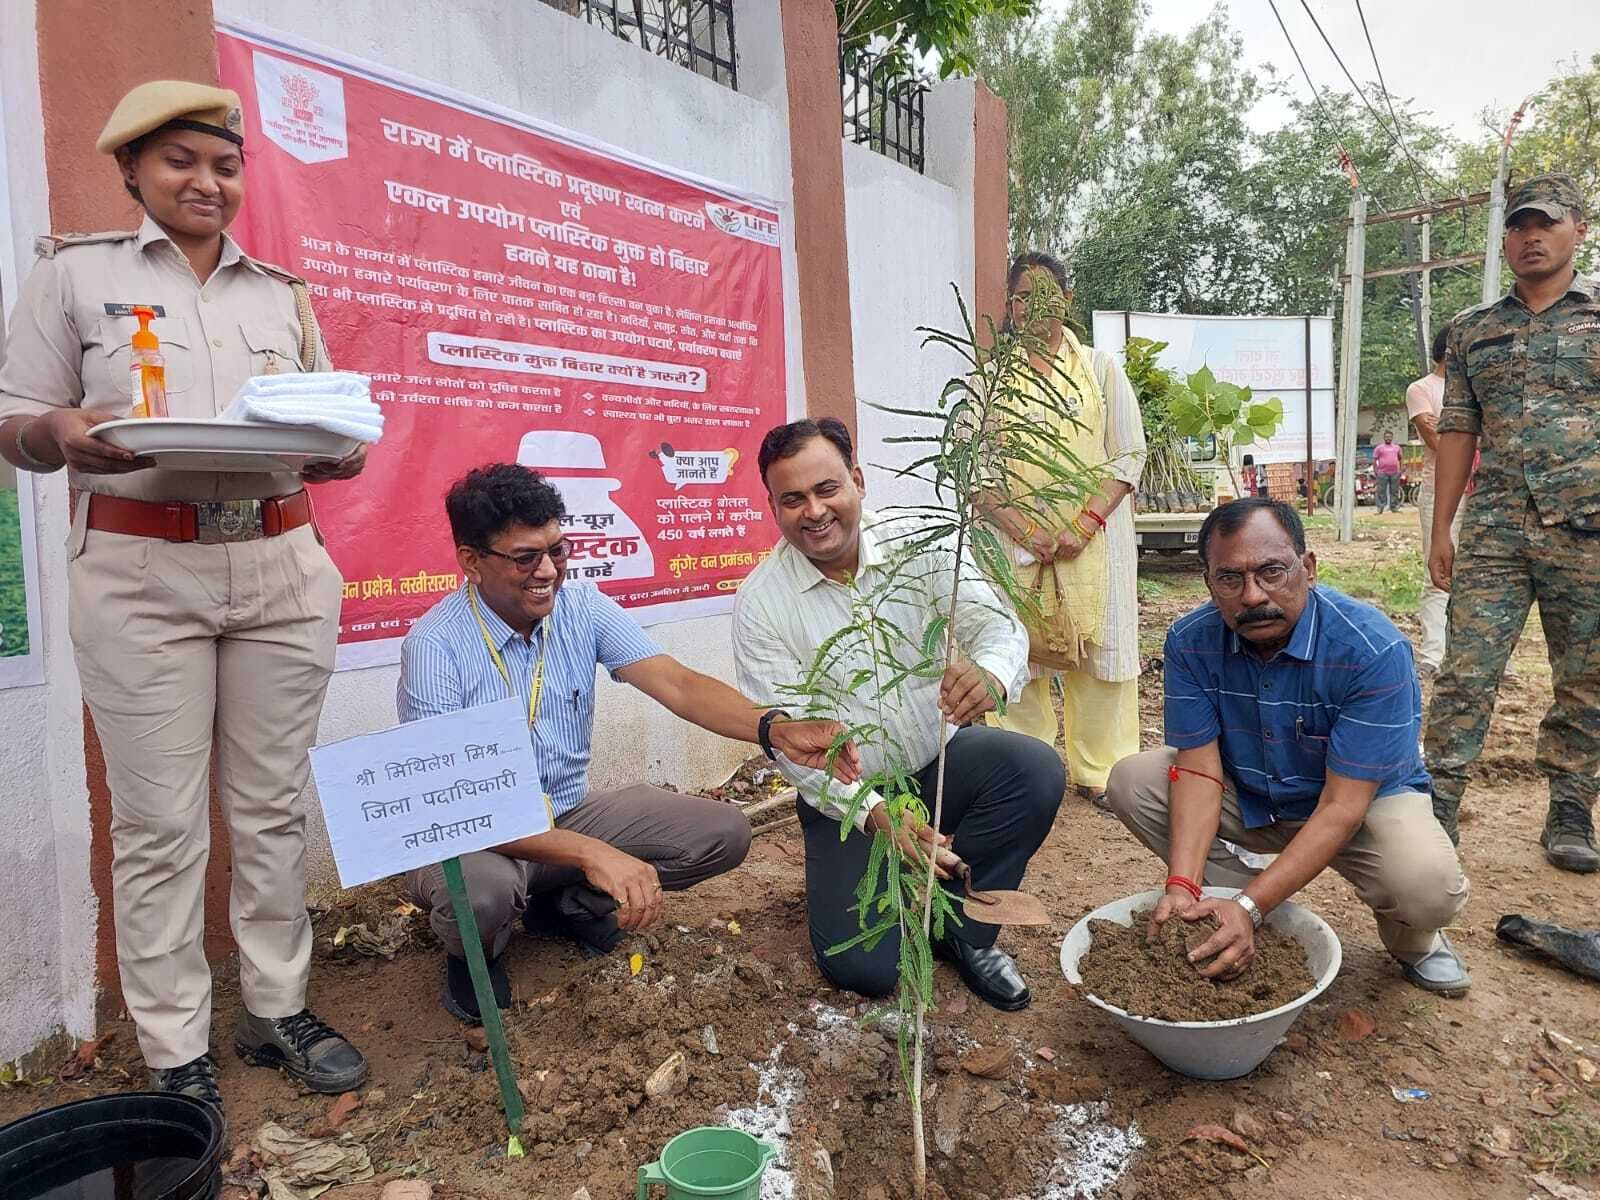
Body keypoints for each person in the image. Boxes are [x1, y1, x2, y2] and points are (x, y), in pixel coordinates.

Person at [0, 82, 372, 1108]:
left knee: (270, 807)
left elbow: (326, 418)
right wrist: (59, 434)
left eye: (224, 164)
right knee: (161, 825)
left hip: (281, 564)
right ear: (131, 171)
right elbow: (16, 420)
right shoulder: (75, 278)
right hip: (138, 570)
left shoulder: (282, 294)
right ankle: (174, 1052)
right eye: (178, 161)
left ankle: (275, 1008)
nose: (206, 182)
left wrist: (335, 456)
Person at [397, 463, 855, 1022]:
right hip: (479, 834)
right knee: (480, 893)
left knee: (723, 832)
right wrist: (593, 853)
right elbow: (460, 806)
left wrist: (774, 727)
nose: (548, 572)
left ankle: (564, 905)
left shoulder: (581, 607)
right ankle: (475, 953)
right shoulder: (435, 646)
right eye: (525, 558)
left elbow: (677, 683)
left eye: (558, 551)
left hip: (566, 814)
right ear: (471, 561)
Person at [732, 418, 1065, 1011]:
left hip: (939, 763)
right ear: (773, 508)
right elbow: (794, 747)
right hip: (849, 799)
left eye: (827, 488)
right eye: (793, 499)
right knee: (867, 969)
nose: (814, 511)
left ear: (857, 481)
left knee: (1032, 769)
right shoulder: (761, 604)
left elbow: (998, 626)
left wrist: (989, 672)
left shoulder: (924, 544)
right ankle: (899, 881)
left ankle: (968, 932)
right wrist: (877, 814)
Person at [1106, 498, 1471, 994]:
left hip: (1361, 805)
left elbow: (1343, 808)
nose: (1253, 596)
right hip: (1254, 795)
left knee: (1426, 884)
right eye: (1229, 579)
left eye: (1272, 571)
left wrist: (1254, 904)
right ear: (1209, 584)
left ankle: (1415, 943)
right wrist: (1182, 884)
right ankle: (1227, 910)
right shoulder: (1191, 642)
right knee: (1134, 781)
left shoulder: (1371, 649)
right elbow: (1198, 771)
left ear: (1309, 568)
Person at [1425, 174, 1600, 874]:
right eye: (1519, 224)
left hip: (1587, 530)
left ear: (1578, 229)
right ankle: (1436, 801)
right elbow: (1458, 430)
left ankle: (1570, 804)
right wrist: (1442, 528)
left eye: (1546, 223)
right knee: (1465, 671)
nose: (1531, 236)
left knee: (1584, 676)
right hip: (1495, 528)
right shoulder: (1474, 328)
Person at [976, 252, 1146, 807]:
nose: (1031, 307)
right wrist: (1024, 529)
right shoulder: (991, 381)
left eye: (1044, 295)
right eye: (1021, 296)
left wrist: (1084, 523)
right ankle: (1024, 766)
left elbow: (1127, 455)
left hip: (1093, 542)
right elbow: (978, 474)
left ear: (1068, 300)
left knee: (1101, 654)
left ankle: (1102, 773)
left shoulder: (1100, 369)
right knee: (1017, 653)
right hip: (1015, 543)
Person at [1405, 328, 1458, 677]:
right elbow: (1440, 443)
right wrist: (1471, 436)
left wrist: (1455, 432)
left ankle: (1475, 653)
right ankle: (1434, 653)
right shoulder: (1421, 390)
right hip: (1440, 492)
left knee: (1481, 572)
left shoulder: (1476, 388)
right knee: (1438, 572)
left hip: (1482, 489)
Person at [1372, 431, 1403, 514]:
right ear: (1384, 437)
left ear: (1392, 437)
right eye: (1386, 436)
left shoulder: (1397, 447)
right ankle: (1380, 508)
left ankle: (1394, 508)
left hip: (1395, 473)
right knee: (1381, 491)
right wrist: (1375, 470)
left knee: (1394, 491)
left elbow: (1400, 459)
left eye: (1389, 436)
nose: (1388, 438)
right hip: (1382, 473)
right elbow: (1374, 459)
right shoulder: (1379, 448)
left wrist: (1400, 469)